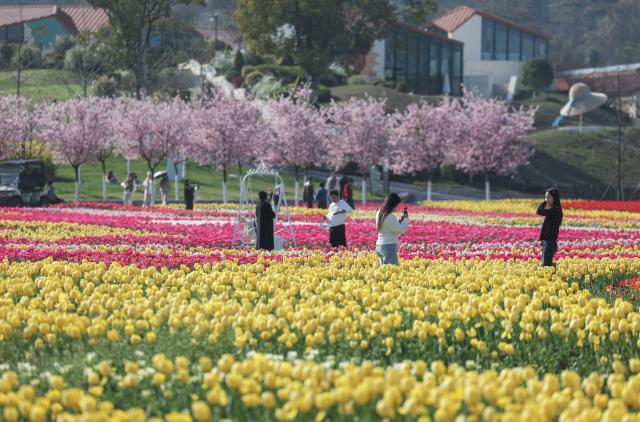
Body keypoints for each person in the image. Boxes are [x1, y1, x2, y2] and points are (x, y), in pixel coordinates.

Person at [376, 193, 409, 265]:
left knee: (383, 271)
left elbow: (390, 226)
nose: (397, 208)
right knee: (393, 271)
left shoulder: (379, 213)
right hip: (389, 246)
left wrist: (399, 222)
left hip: (379, 245)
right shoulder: (389, 216)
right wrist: (406, 219)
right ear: (392, 204)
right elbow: (401, 230)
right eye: (397, 205)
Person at [536, 188, 563, 267]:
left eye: (548, 197)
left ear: (554, 198)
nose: (546, 199)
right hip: (548, 241)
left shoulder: (555, 210)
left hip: (549, 241)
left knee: (546, 266)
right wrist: (547, 200)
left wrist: (545, 202)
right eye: (545, 197)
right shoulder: (555, 209)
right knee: (546, 265)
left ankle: (553, 277)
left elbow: (539, 211)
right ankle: (553, 275)